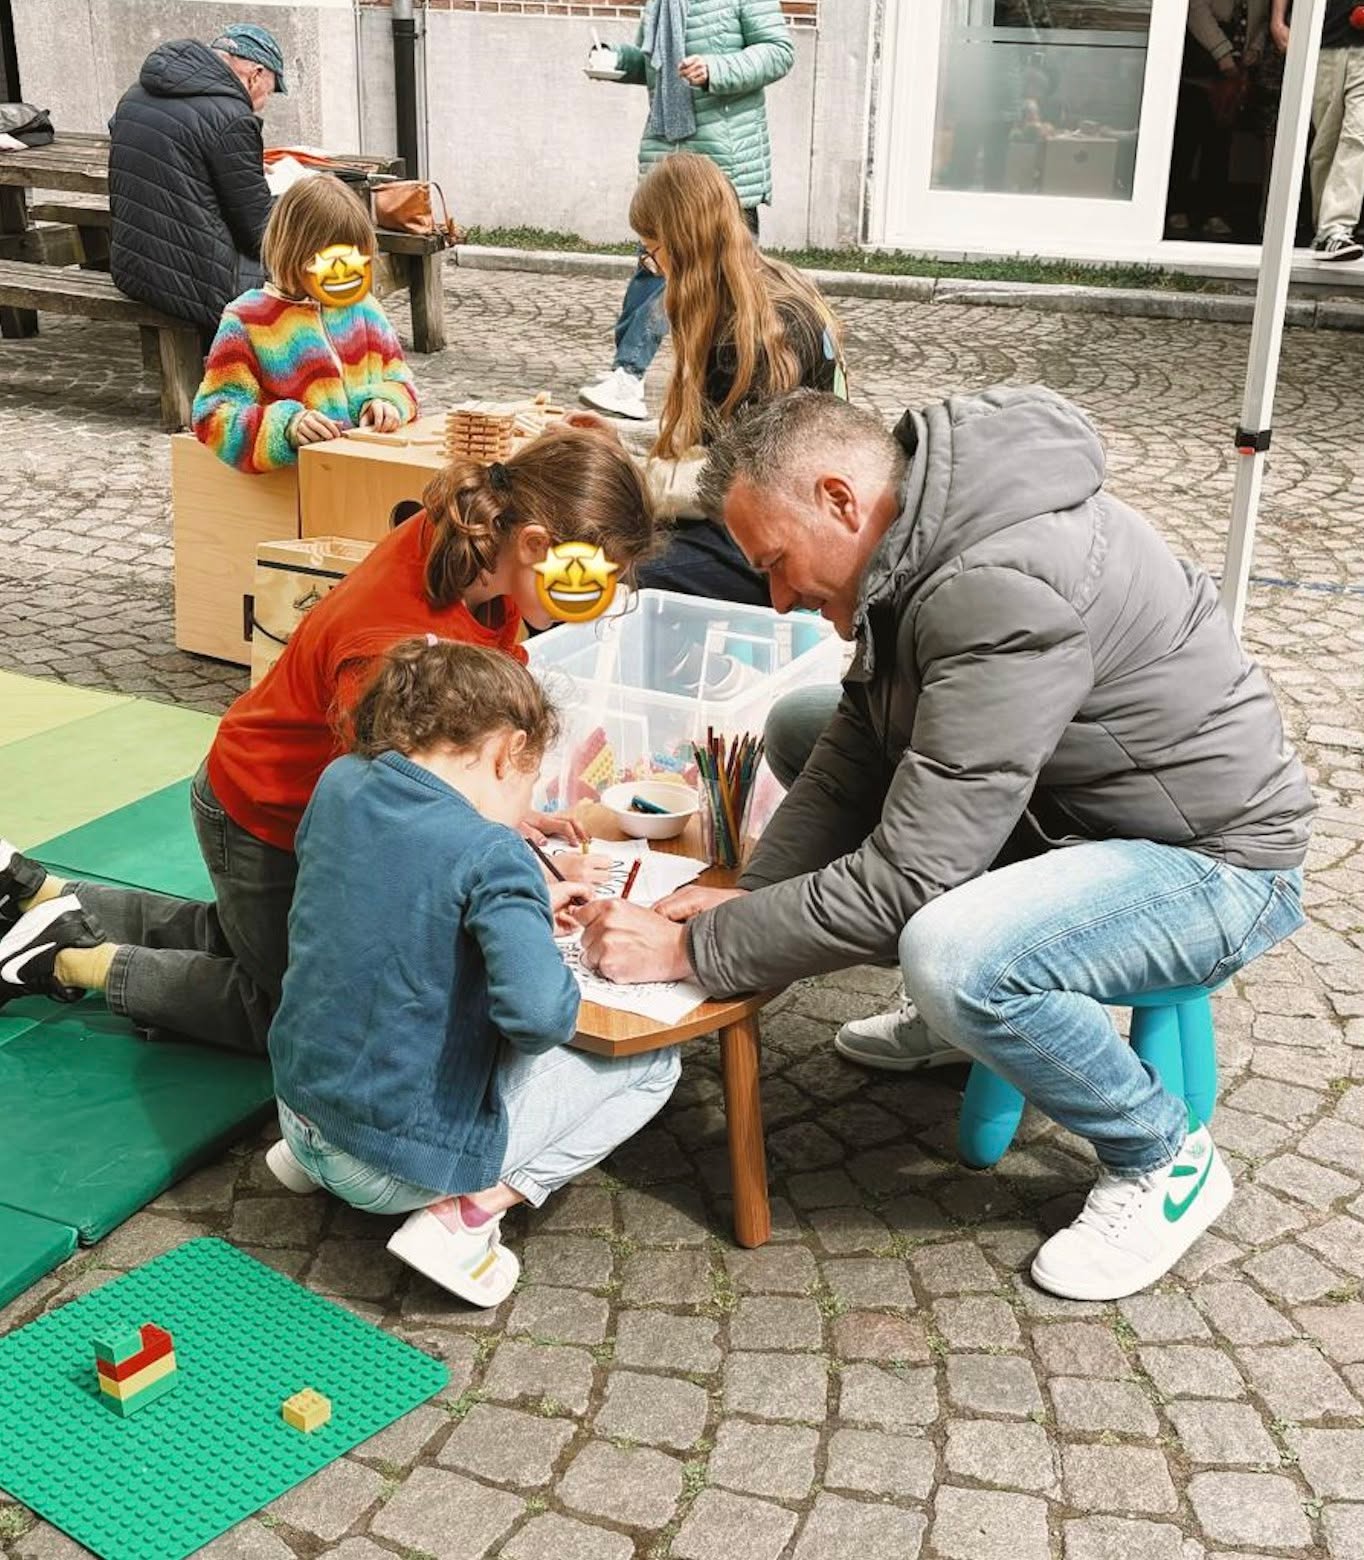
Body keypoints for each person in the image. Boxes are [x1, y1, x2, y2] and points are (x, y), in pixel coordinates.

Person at [576, 388, 1314, 1302]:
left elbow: (911, 878)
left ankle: (1163, 1155)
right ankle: (971, 1023)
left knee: (950, 951)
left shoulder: (993, 586)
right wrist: (751, 896)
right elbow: (851, 751)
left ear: (841, 500)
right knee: (801, 721)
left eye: (775, 562)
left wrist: (696, 946)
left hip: (1214, 863)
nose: (776, 598)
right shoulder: (921, 533)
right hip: (1080, 814)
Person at [0, 428, 657, 1056]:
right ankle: (70, 960)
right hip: (267, 811)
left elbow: (446, 761)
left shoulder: (481, 548)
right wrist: (512, 880)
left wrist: (507, 813)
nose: (595, 604)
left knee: (240, 939)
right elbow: (385, 825)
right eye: (597, 581)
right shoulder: (394, 642)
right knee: (303, 1012)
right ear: (538, 544)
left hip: (287, 788)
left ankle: (51, 899)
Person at [264, 638, 679, 1305]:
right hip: (390, 1166)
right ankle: (468, 1215)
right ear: (501, 753)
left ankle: (314, 1161)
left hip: (295, 1108)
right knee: (656, 1066)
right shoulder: (491, 851)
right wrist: (538, 942)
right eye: (530, 782)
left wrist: (520, 911)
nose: (528, 807)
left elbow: (387, 903)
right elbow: (539, 1018)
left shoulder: (340, 782)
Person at [629, 152, 846, 610]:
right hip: (781, 511)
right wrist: (613, 438)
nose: (652, 265)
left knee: (617, 571)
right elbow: (718, 439)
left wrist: (621, 471)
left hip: (781, 536)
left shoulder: (750, 337)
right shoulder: (770, 285)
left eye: (652, 249)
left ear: (681, 243)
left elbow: (734, 486)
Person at [578, 0, 795, 421]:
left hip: (723, 167)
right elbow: (653, 65)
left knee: (738, 284)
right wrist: (616, 59)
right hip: (672, 161)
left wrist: (717, 68)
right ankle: (628, 374)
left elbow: (779, 50)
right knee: (655, 268)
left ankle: (751, 381)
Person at [193, 176, 418, 470]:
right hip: (292, 492)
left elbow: (401, 381)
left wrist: (386, 402)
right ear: (297, 253)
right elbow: (213, 416)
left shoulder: (365, 310)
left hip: (364, 478)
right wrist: (287, 426)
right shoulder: (248, 320)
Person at [110, 22, 285, 338]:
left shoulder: (136, 95)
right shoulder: (232, 116)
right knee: (313, 267)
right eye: (269, 91)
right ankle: (296, 371)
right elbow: (256, 232)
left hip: (134, 267)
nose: (264, 102)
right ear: (255, 74)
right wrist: (288, 201)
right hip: (196, 282)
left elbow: (178, 155)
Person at [1272, 0, 1364, 260]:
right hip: (1324, 44)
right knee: (1326, 145)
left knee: (1358, 136)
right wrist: (1278, 20)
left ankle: (1336, 226)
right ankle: (1326, 231)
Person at [1167, 2, 1267, 240]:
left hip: (1239, 58)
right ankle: (1175, 206)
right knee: (1186, 138)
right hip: (1202, 53)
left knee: (1220, 142)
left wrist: (1255, 49)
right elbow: (1194, 7)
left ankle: (1213, 211)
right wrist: (1222, 52)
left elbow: (1264, 17)